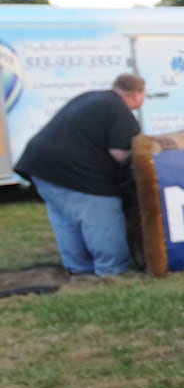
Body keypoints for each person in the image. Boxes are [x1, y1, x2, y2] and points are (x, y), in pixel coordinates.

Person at [15, 73, 146, 277]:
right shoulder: (120, 111)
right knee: (102, 220)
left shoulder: (89, 97)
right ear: (138, 94)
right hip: (79, 173)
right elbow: (119, 153)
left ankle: (78, 269)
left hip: (40, 166)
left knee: (66, 221)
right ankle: (112, 271)